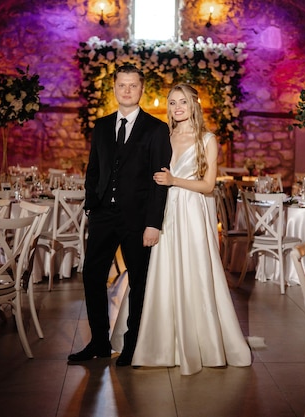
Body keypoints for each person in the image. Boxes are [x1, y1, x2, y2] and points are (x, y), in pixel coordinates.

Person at [131, 83, 252, 375]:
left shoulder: (207, 139)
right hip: (167, 210)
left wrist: (175, 181)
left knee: (196, 269)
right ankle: (162, 341)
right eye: (172, 103)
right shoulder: (164, 136)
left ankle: (203, 338)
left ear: (194, 105)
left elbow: (209, 185)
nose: (177, 108)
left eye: (182, 102)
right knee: (165, 268)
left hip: (195, 210)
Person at [67, 64, 172, 366]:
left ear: (141, 90)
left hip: (138, 221)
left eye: (133, 86)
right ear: (113, 88)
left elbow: (159, 181)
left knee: (139, 282)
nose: (127, 90)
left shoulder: (155, 129)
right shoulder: (101, 126)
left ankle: (131, 345)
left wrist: (153, 223)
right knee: (92, 276)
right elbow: (94, 170)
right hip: (102, 216)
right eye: (121, 85)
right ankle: (99, 343)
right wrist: (91, 204)